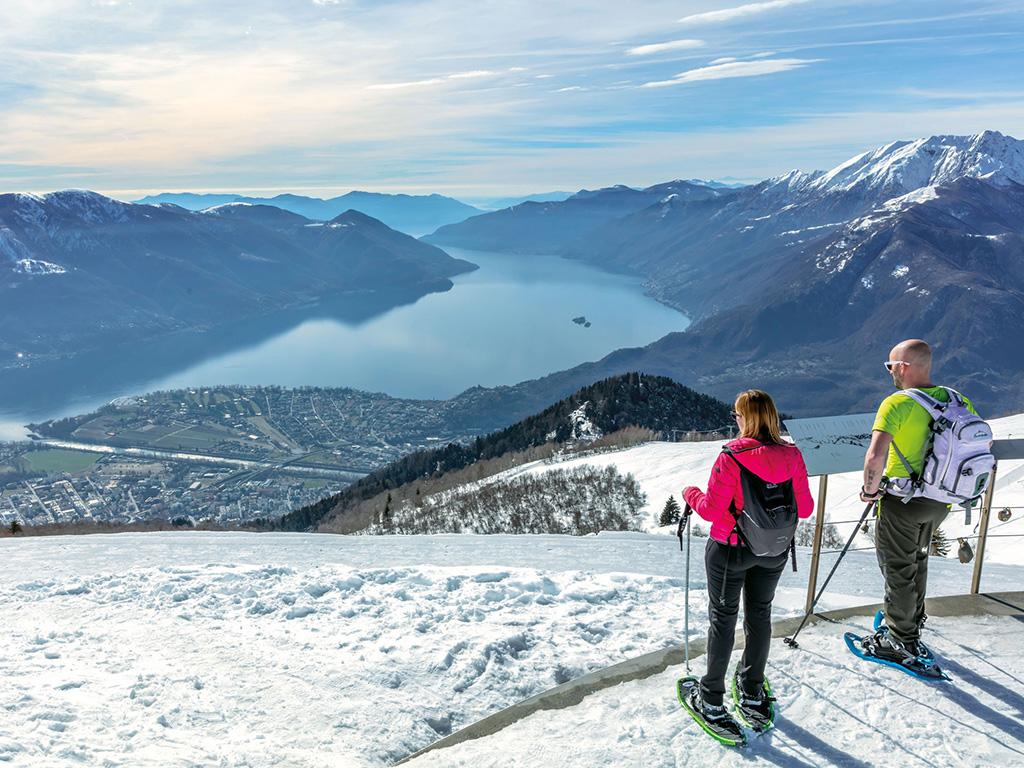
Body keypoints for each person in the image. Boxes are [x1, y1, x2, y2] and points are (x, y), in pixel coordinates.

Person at [682, 389, 814, 732]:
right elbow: (807, 507)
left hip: (730, 550)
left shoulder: (732, 456)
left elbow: (711, 510)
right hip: (773, 552)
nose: (735, 420)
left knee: (723, 621)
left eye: (737, 415)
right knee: (760, 615)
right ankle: (752, 690)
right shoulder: (792, 454)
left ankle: (711, 700)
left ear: (747, 418)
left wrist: (689, 493)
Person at [858, 339, 978, 663]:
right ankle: (911, 620)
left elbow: (875, 456)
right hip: (941, 501)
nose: (889, 372)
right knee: (917, 560)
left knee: (898, 567)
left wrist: (869, 490)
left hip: (903, 501)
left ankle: (900, 640)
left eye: (890, 365)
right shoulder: (957, 400)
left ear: (903, 367)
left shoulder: (896, 403)